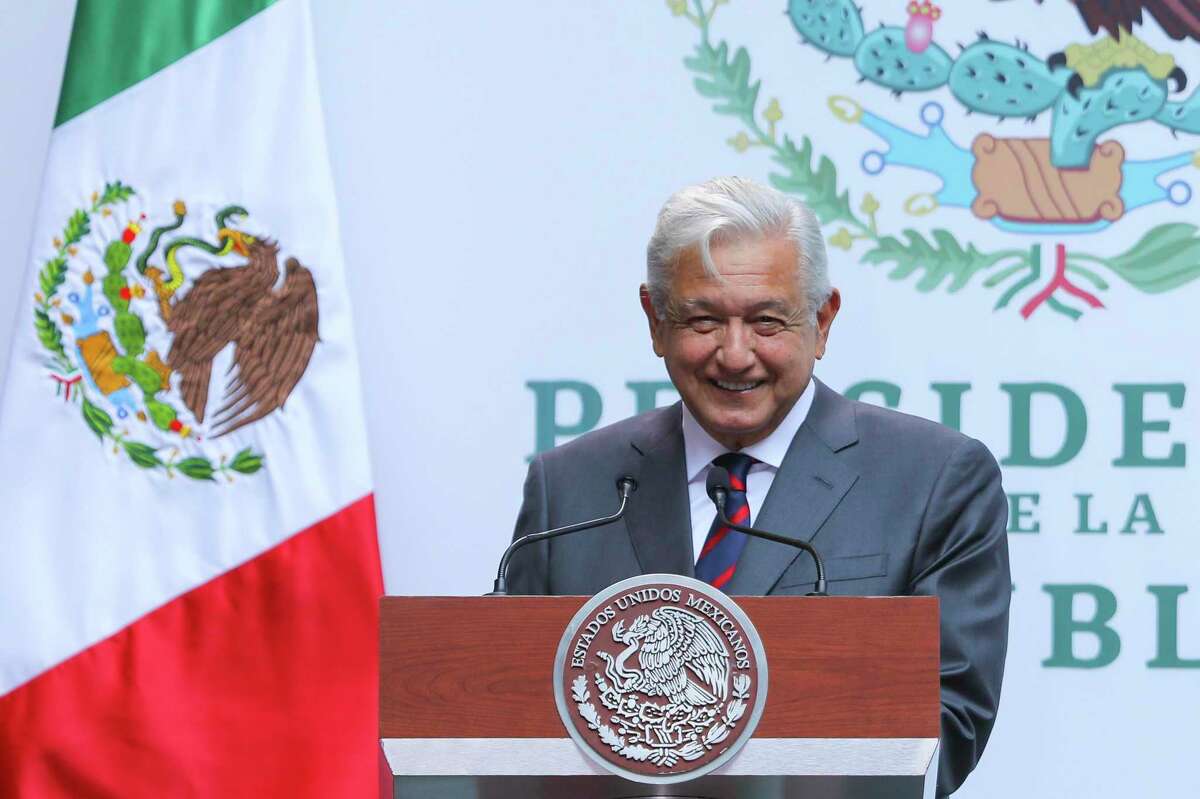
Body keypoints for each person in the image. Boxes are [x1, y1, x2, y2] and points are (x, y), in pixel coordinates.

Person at [508, 176, 1010, 797]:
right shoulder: (571, 488)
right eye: (703, 320)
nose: (735, 354)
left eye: (767, 322)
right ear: (655, 320)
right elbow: (506, 716)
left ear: (822, 321)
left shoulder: (935, 479)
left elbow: (947, 724)